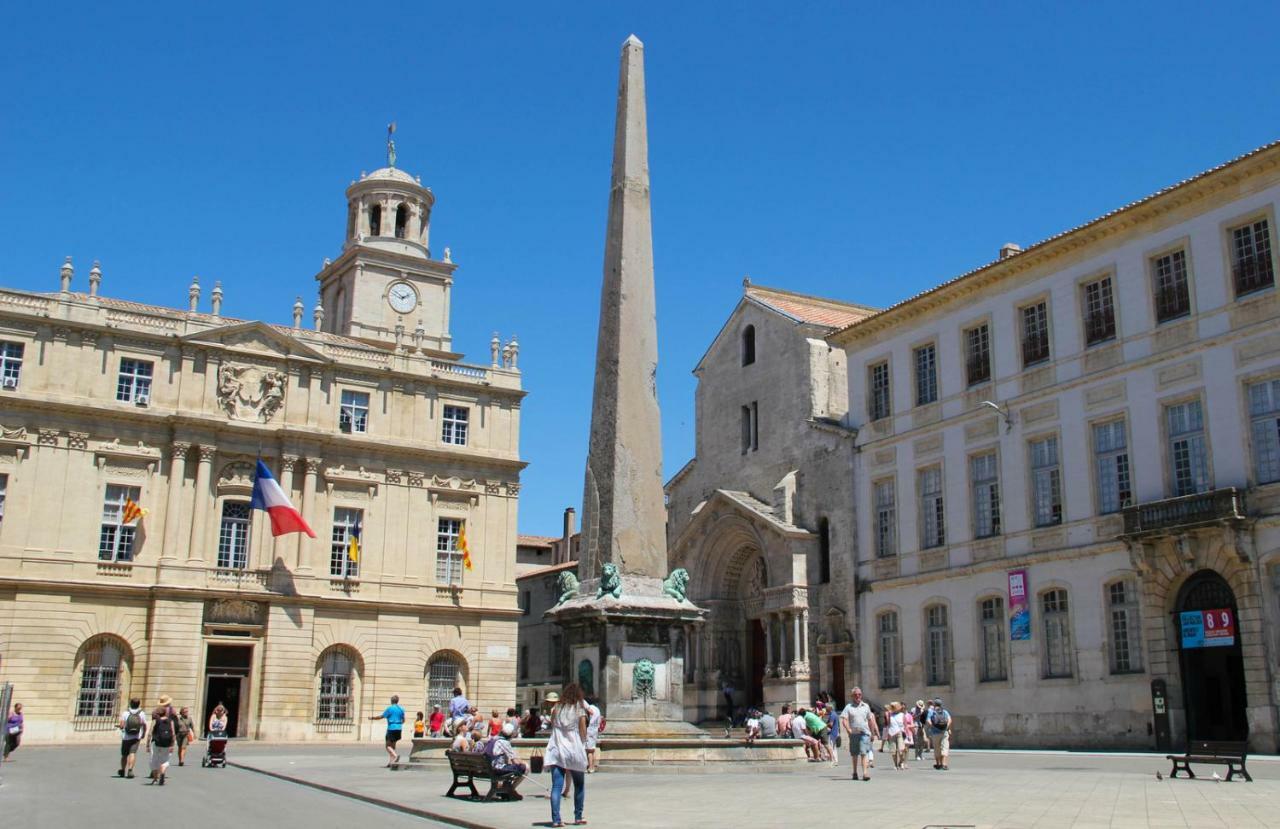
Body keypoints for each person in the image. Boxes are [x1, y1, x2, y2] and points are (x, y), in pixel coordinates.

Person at [545, 682, 588, 828]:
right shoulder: (579, 708)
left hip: (557, 749)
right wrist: (584, 744)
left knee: (556, 786)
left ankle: (556, 820)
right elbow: (583, 730)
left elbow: (552, 725)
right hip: (574, 750)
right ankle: (578, 816)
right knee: (579, 785)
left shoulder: (556, 708)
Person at [841, 686, 878, 781]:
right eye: (855, 695)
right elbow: (844, 720)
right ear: (852, 696)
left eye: (859, 694)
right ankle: (854, 772)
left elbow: (870, 720)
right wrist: (848, 729)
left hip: (864, 733)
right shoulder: (848, 707)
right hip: (853, 733)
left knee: (863, 753)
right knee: (854, 754)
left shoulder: (866, 706)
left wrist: (873, 733)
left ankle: (865, 773)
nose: (858, 696)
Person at [369, 694, 406, 768]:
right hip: (399, 728)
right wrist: (399, 723)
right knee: (393, 745)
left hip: (391, 728)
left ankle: (395, 756)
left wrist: (372, 718)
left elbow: (381, 716)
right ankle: (391, 762)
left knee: (388, 746)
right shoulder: (401, 709)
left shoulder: (390, 709)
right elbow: (403, 719)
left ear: (391, 701)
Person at [117, 699, 148, 778]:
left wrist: (121, 727)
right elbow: (144, 725)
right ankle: (130, 770)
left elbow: (122, 725)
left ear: (130, 704)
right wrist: (144, 733)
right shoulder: (142, 713)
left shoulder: (125, 713)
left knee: (124, 755)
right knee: (132, 753)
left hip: (126, 737)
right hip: (136, 736)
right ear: (139, 704)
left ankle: (123, 770)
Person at [147, 704, 175, 785]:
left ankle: (155, 779)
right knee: (165, 760)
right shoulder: (171, 721)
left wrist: (147, 745)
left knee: (154, 760)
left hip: (156, 743)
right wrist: (172, 745)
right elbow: (173, 734)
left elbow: (150, 734)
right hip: (166, 744)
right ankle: (162, 772)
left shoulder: (155, 721)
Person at [929, 698, 953, 771]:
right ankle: (944, 764)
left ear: (934, 704)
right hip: (944, 732)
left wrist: (934, 727)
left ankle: (938, 764)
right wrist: (947, 728)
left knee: (937, 748)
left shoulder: (931, 712)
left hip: (935, 733)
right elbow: (950, 720)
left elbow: (928, 721)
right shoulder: (945, 711)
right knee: (944, 747)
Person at [885, 702, 907, 769]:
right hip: (891, 733)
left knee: (901, 749)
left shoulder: (902, 715)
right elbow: (888, 724)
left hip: (900, 733)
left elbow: (905, 725)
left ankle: (901, 762)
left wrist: (906, 734)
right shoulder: (890, 715)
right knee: (893, 751)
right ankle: (895, 764)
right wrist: (887, 735)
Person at [585, 698, 602, 773]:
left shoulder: (588, 708)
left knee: (588, 750)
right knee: (592, 749)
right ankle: (592, 766)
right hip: (595, 730)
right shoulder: (597, 709)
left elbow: (585, 719)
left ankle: (590, 767)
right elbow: (599, 720)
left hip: (589, 729)